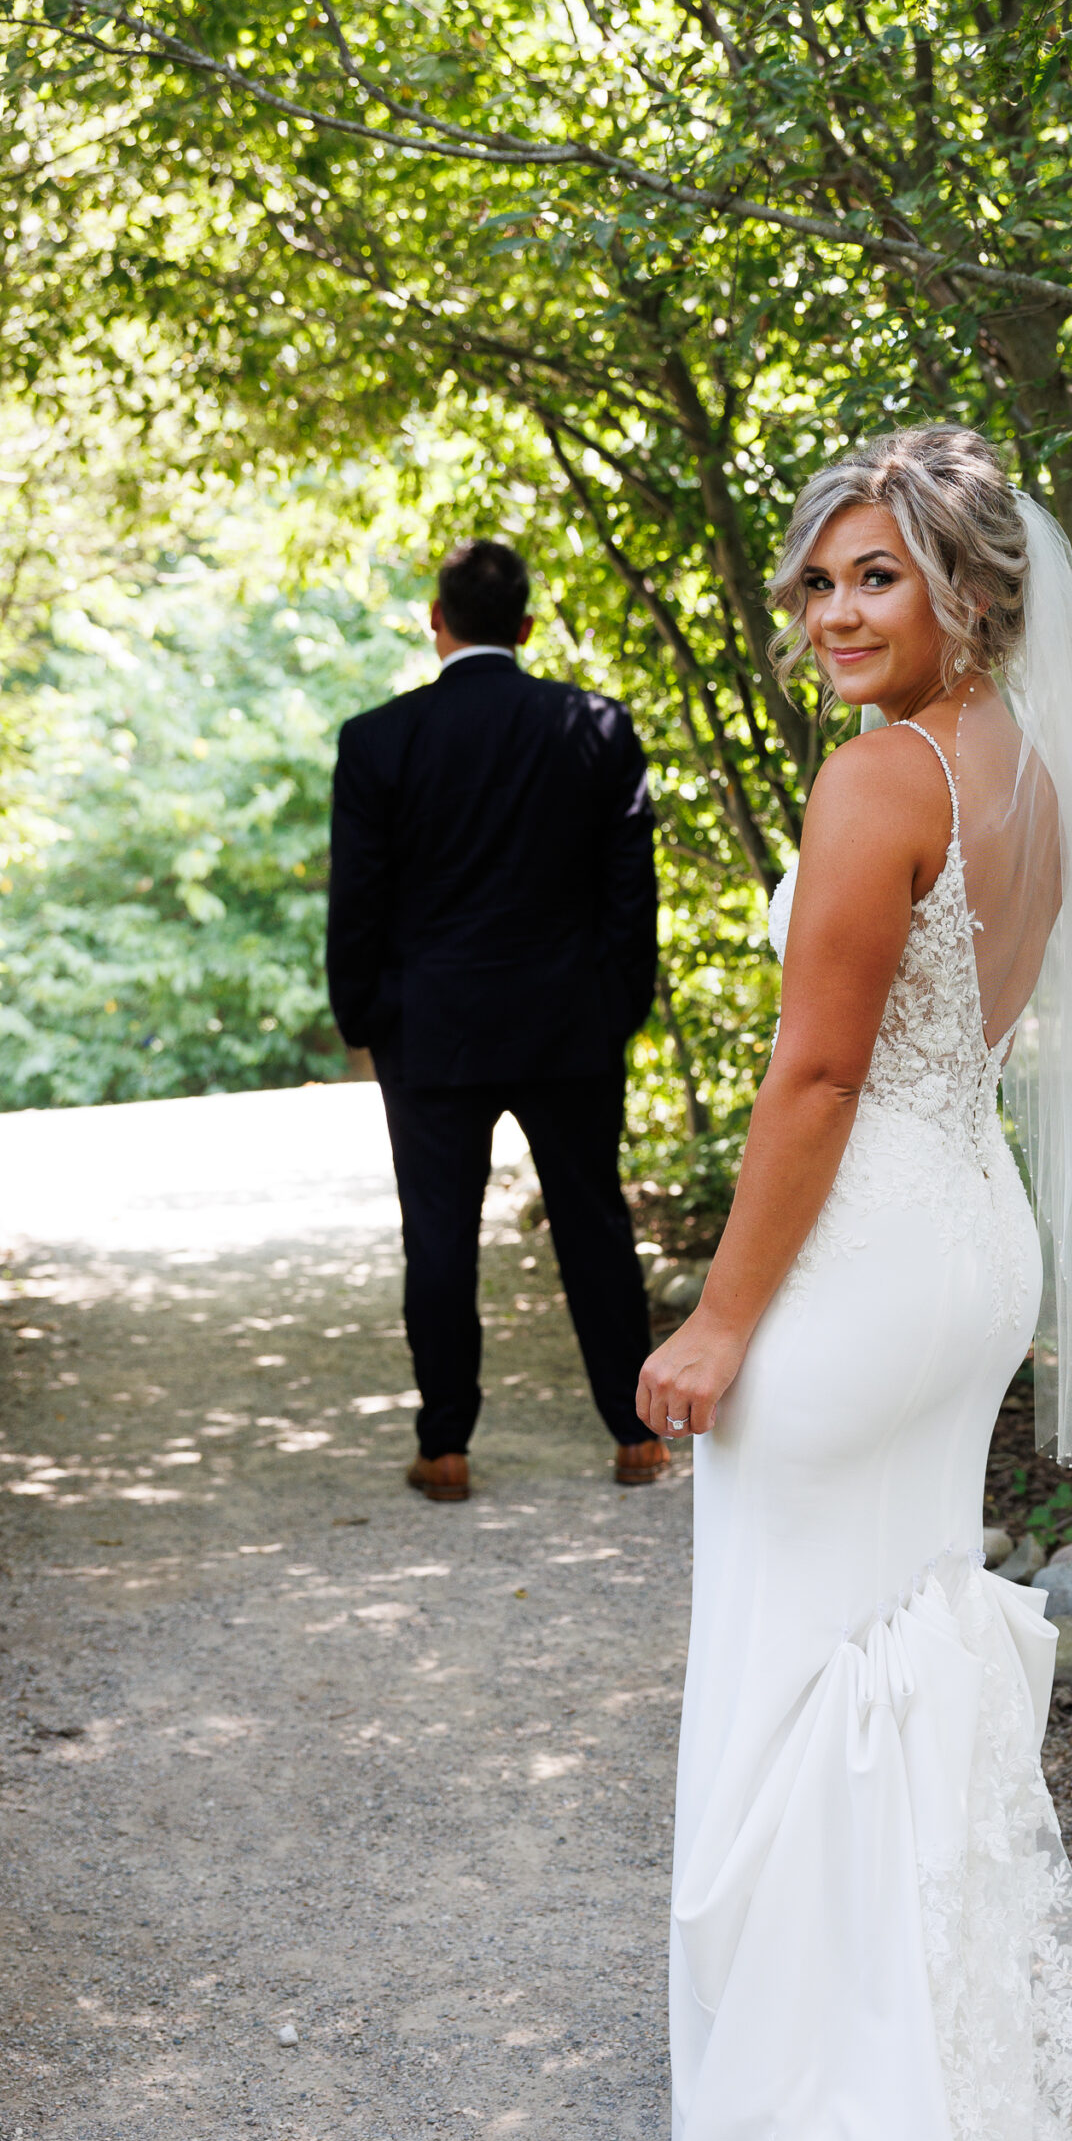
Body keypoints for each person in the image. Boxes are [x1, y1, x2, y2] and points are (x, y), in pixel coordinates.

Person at [637, 428, 1072, 2141]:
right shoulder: (1025, 771)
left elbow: (815, 1084)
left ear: (968, 585)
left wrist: (715, 1323)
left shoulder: (880, 778)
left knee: (791, 1683)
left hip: (868, 1269)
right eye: (819, 580)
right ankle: (935, 2122)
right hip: (975, 1243)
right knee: (898, 1663)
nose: (837, 614)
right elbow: (973, 1028)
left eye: (876, 575)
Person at [327, 537, 666, 1500]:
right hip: (570, 1025)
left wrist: (365, 1016)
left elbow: (358, 897)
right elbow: (627, 890)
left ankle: (445, 1447)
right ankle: (636, 1435)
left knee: (436, 1236)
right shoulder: (596, 725)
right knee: (593, 1222)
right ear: (524, 627)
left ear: (437, 625)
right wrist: (619, 1008)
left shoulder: (378, 739)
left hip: (429, 1028)